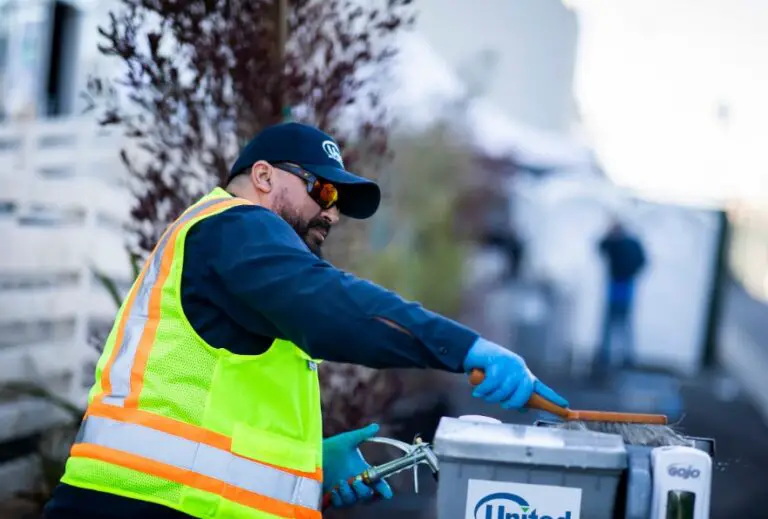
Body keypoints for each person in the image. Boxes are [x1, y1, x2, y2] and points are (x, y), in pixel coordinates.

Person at [43, 122, 568, 519]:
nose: (333, 213)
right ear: (265, 177)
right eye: (324, 191)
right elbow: (331, 307)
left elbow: (204, 409)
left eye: (338, 202)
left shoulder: (236, 257)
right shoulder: (235, 227)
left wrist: (309, 464)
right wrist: (465, 347)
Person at [596, 219, 647, 375]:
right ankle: (614, 356)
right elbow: (601, 247)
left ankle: (620, 357)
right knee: (617, 325)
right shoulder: (621, 243)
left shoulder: (625, 244)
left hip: (621, 286)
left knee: (618, 324)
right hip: (619, 286)